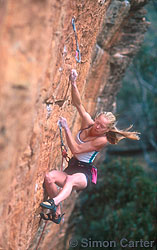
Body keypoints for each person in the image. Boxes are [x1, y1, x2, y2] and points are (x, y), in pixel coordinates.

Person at [40, 69, 140, 224]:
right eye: (97, 122)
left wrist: (66, 128)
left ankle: (54, 202)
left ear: (107, 130)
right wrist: (73, 83)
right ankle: (57, 211)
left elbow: (77, 150)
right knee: (49, 178)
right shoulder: (88, 123)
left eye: (102, 127)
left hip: (83, 173)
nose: (97, 127)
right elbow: (78, 104)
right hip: (72, 165)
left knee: (71, 180)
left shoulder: (103, 140)